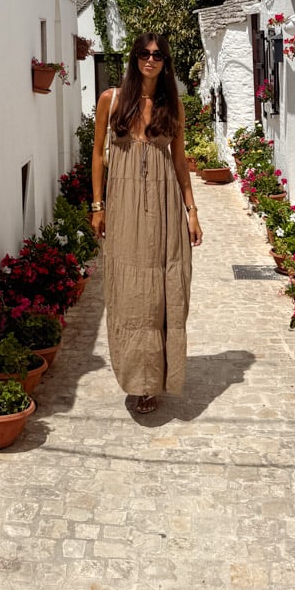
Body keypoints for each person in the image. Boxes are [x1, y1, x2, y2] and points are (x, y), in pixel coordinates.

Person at [90, 33, 202, 414]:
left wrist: (192, 210)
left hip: (164, 204)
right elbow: (97, 155)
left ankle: (152, 380)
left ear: (165, 62)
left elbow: (180, 160)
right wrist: (98, 205)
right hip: (123, 206)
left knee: (160, 292)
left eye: (157, 55)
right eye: (143, 53)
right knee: (131, 294)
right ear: (134, 58)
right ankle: (136, 375)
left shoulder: (173, 105)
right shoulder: (111, 100)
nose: (149, 60)